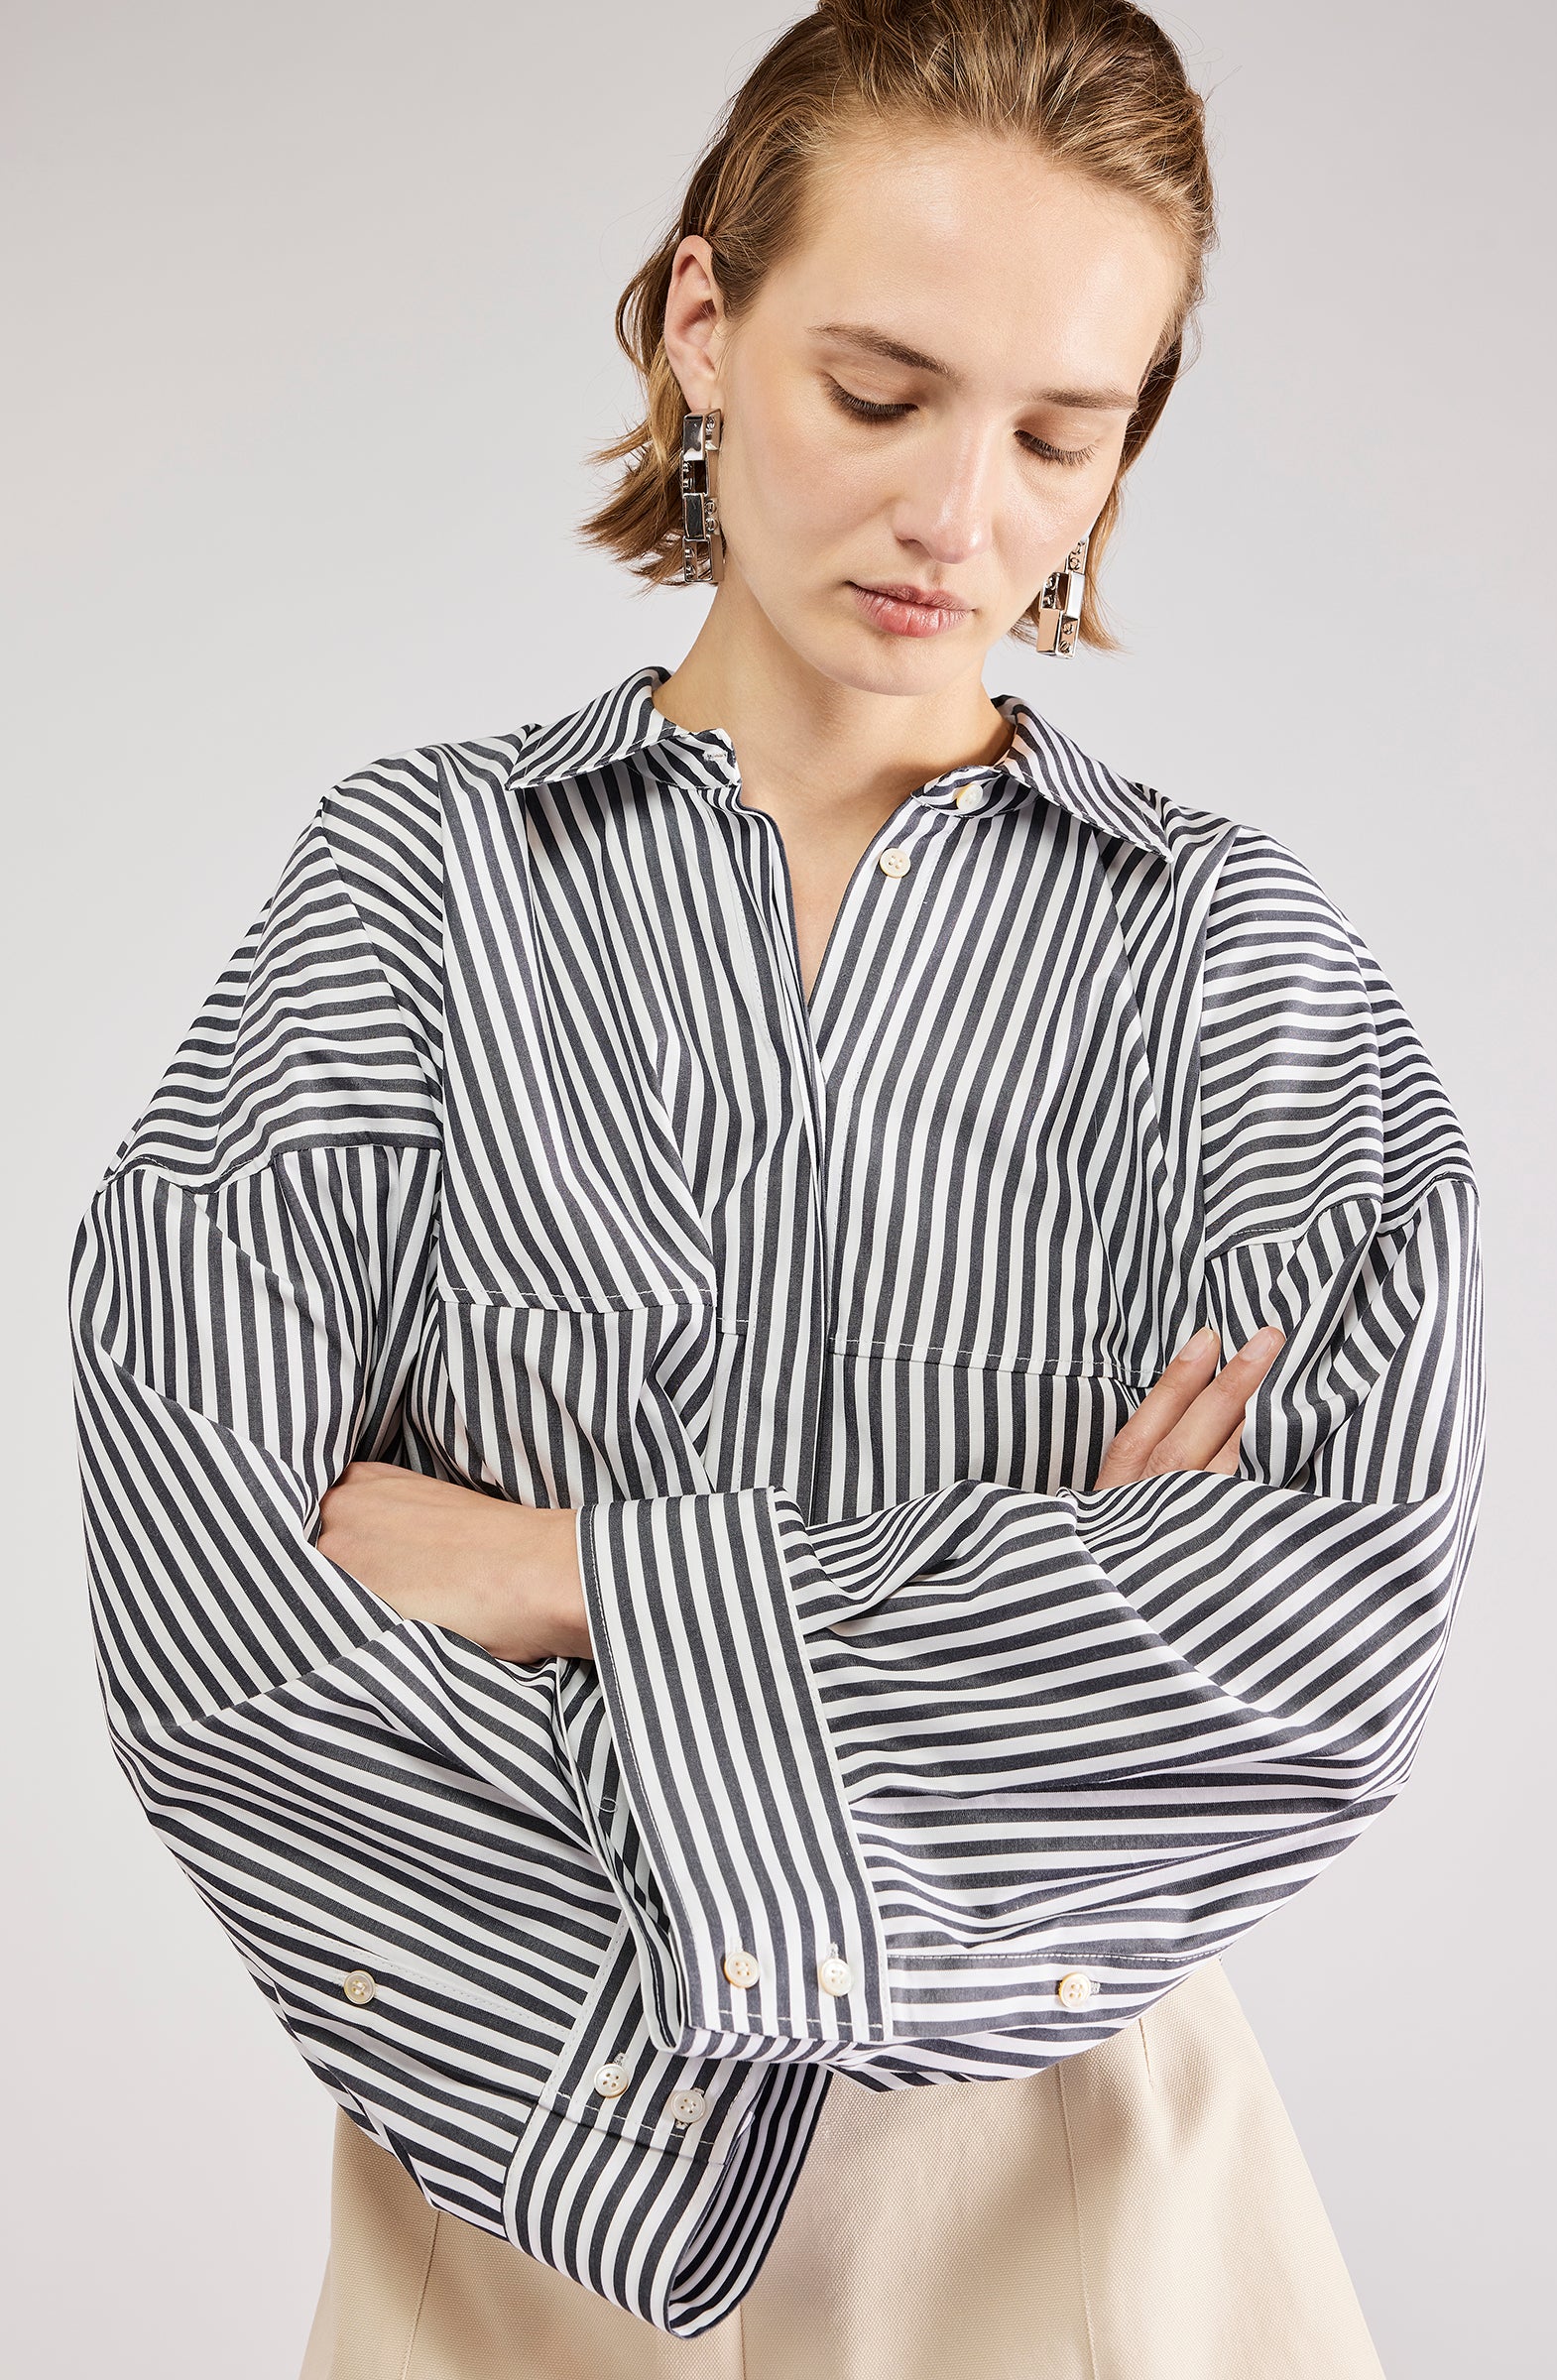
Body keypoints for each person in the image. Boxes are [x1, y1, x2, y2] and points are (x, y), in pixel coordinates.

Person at [66, 2, 1486, 2374]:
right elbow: (220, 1635)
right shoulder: (410, 895)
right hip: (516, 2205)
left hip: (1091, 2223)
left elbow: (1298, 1654)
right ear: (704, 324)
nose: (959, 517)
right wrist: (1028, 1597)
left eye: (1057, 435)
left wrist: (566, 1573)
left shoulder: (1236, 966)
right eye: (878, 391)